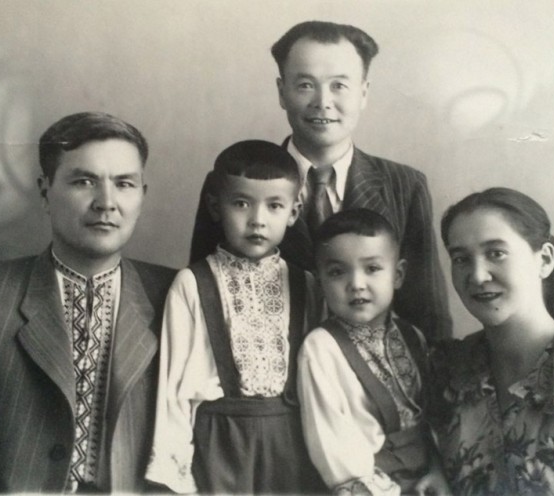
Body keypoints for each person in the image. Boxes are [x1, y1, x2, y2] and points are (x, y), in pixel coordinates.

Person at [0, 111, 176, 493]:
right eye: (84, 182)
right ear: (45, 192)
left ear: (142, 195)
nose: (106, 203)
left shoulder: (176, 295)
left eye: (124, 183)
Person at [190, 20, 451, 342]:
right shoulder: (232, 183)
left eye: (339, 85)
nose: (322, 101)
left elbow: (428, 317)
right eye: (305, 85)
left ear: (363, 93)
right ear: (282, 92)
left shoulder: (405, 186)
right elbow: (203, 299)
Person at [146, 140, 324, 494]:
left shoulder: (308, 286)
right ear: (216, 206)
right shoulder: (192, 284)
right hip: (218, 448)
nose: (257, 220)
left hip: (290, 449)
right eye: (242, 203)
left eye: (274, 206)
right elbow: (174, 392)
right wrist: (172, 477)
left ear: (294, 212)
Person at [430, 187, 554, 495]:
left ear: (545, 259)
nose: (478, 275)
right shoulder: (447, 369)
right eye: (461, 258)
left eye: (496, 253)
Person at [297, 208, 450, 495]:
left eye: (372, 269)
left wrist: (436, 470)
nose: (356, 284)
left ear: (398, 275)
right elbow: (331, 444)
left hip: (427, 480)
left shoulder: (411, 336)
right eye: (337, 272)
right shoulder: (321, 348)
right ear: (320, 283)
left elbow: (430, 421)